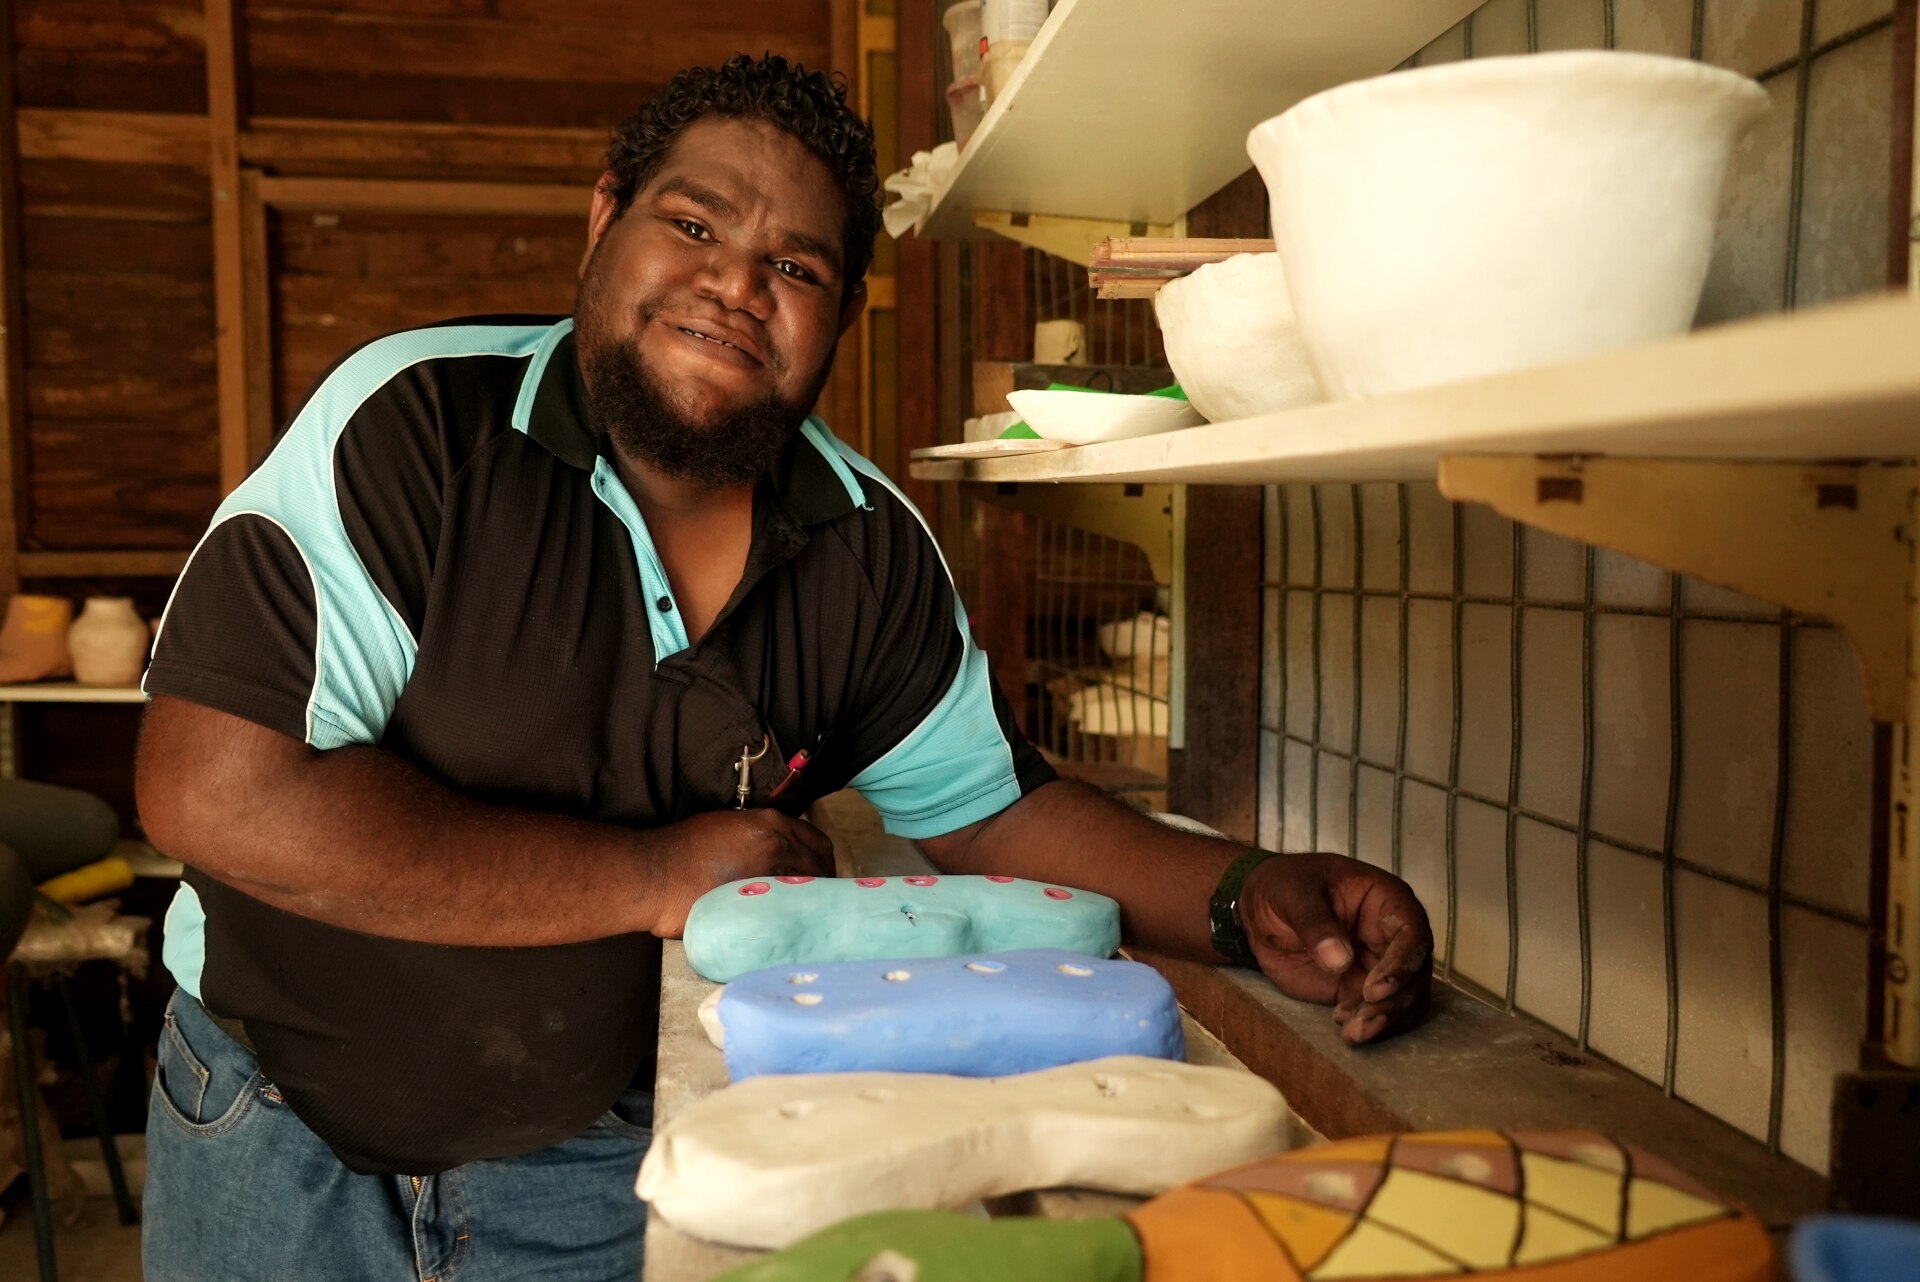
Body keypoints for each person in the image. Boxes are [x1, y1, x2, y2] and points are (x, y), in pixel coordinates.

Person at [132, 53, 1432, 1282]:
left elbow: (997, 813)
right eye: (694, 227)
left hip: (593, 1157)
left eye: (795, 264)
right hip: (275, 1122)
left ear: (841, 317)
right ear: (602, 222)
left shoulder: (867, 554)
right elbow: (220, 788)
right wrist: (653, 874)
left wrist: (1251, 894)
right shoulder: (417, 427)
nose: (735, 284)